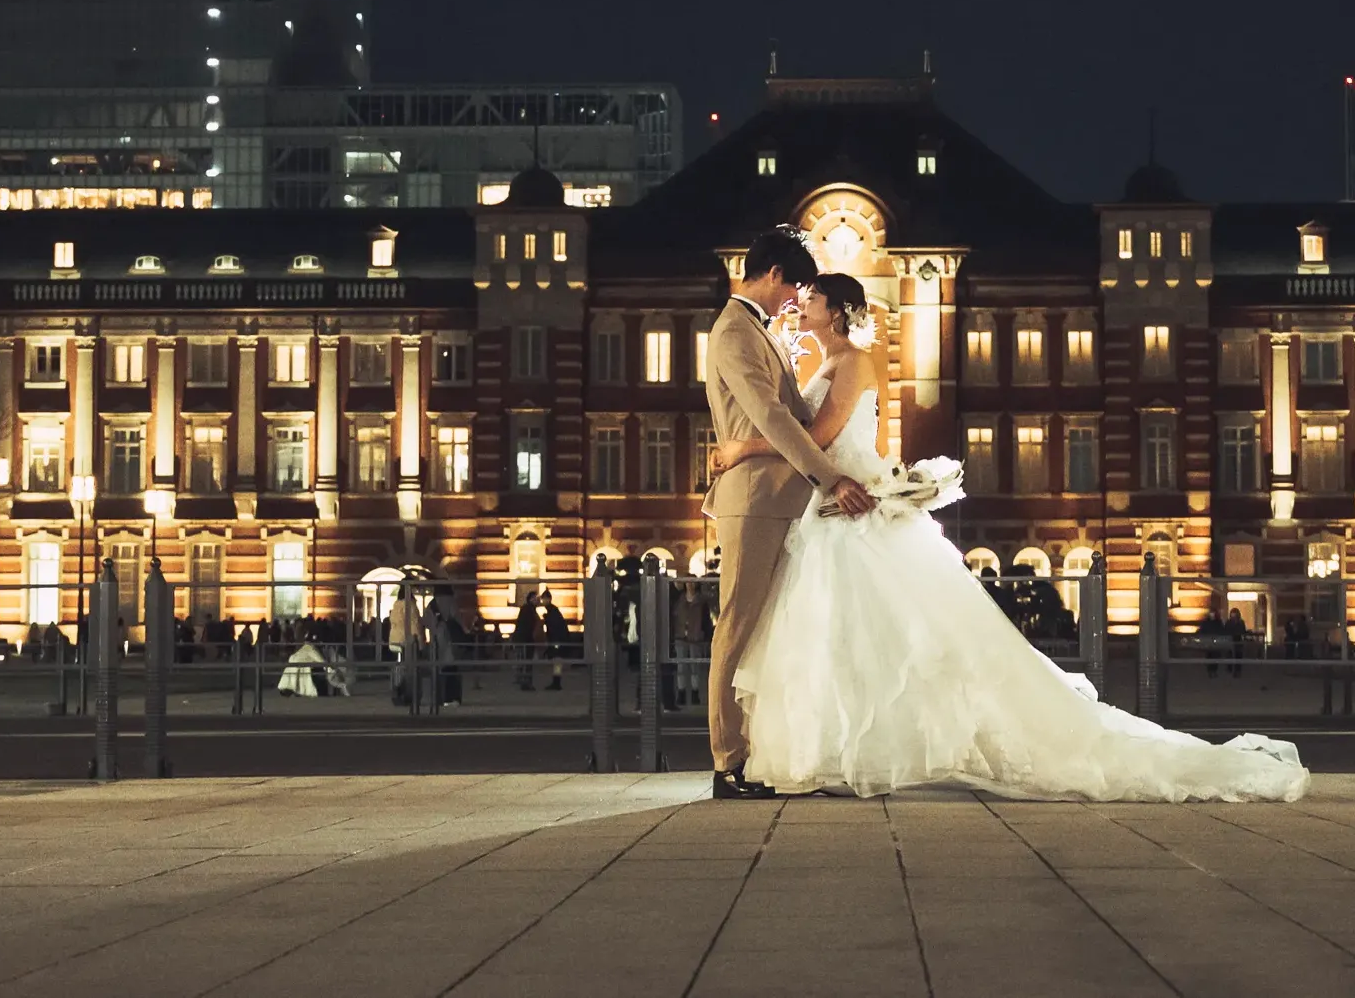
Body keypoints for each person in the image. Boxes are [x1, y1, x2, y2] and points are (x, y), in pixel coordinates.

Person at [712, 270, 1307, 803]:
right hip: (834, 508)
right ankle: (837, 752)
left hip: (848, 507)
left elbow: (814, 436)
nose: (799, 302)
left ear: (837, 312)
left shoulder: (855, 363)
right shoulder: (825, 361)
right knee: (843, 640)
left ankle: (855, 751)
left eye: (810, 298)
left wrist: (741, 447)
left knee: (883, 641)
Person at [699, 227, 875, 800]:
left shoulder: (755, 330)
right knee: (738, 626)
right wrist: (830, 476)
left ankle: (752, 752)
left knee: (760, 631)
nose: (796, 299)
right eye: (794, 286)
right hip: (755, 502)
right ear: (773, 275)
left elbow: (794, 418)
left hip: (776, 500)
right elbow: (774, 418)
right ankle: (728, 762)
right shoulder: (734, 331)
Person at [539, 589, 570, 690]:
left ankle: (556, 683)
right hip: (557, 641)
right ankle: (556, 682)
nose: (542, 601)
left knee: (557, 662)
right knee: (556, 662)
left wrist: (555, 644)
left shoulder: (552, 611)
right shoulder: (552, 610)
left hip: (557, 641)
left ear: (548, 599)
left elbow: (555, 628)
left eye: (543, 599)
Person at [514, 591, 542, 691]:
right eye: (535, 598)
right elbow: (527, 626)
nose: (538, 600)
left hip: (524, 639)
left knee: (525, 662)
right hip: (526, 640)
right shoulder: (529, 610)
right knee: (526, 662)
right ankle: (526, 683)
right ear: (531, 599)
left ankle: (525, 682)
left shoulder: (528, 609)